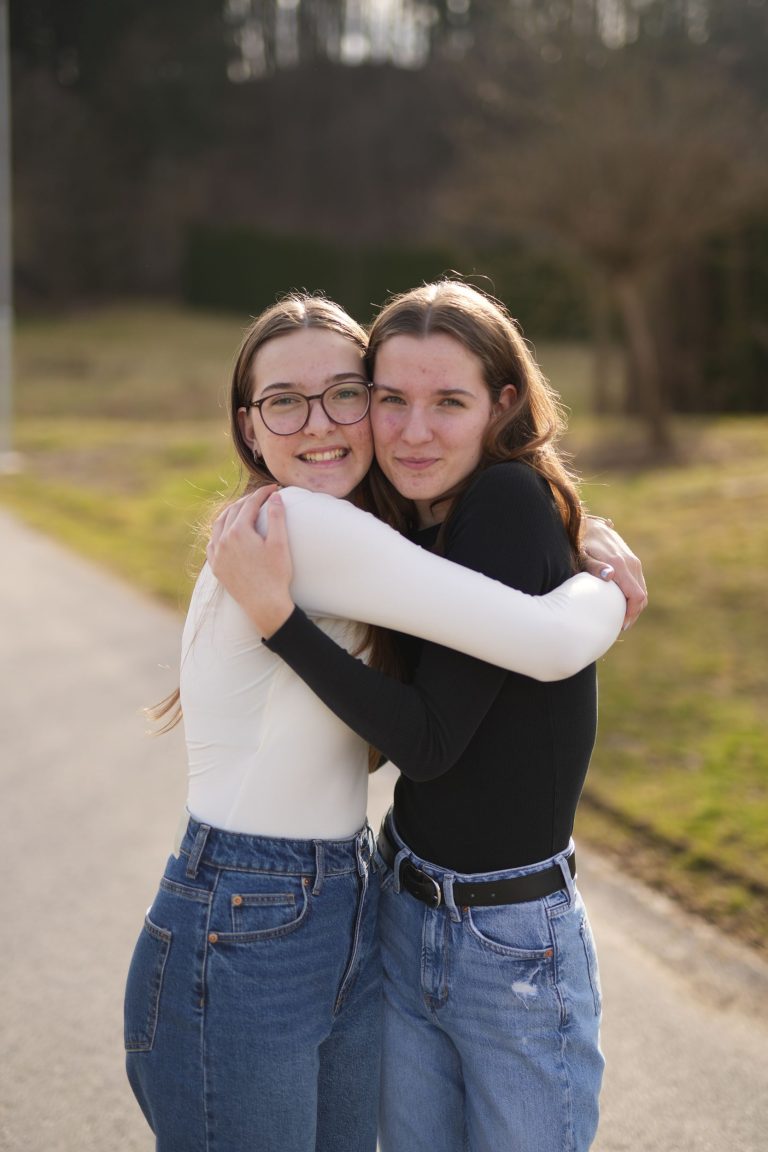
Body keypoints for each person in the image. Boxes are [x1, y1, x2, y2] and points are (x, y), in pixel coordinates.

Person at [208, 281, 640, 1152]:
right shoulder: (417, 520)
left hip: (509, 943)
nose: (413, 432)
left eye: (449, 402)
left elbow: (430, 743)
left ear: (503, 404)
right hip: (403, 908)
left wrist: (280, 623)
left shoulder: (504, 500)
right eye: (391, 399)